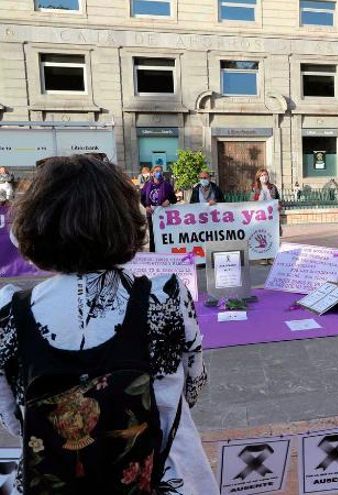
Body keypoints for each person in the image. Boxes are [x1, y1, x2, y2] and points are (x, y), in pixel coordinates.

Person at [0, 155, 216, 494]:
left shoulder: (10, 313)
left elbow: (13, 420)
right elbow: (190, 390)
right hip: (161, 479)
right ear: (124, 220)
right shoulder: (165, 298)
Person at [140, 165, 177, 252]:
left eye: (160, 171)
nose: (158, 173)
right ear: (152, 173)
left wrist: (168, 200)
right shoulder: (147, 185)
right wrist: (146, 206)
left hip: (164, 215)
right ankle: (154, 254)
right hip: (152, 214)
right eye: (156, 171)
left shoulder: (166, 185)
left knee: (164, 235)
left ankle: (165, 252)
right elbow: (141, 197)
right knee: (153, 235)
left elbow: (174, 198)